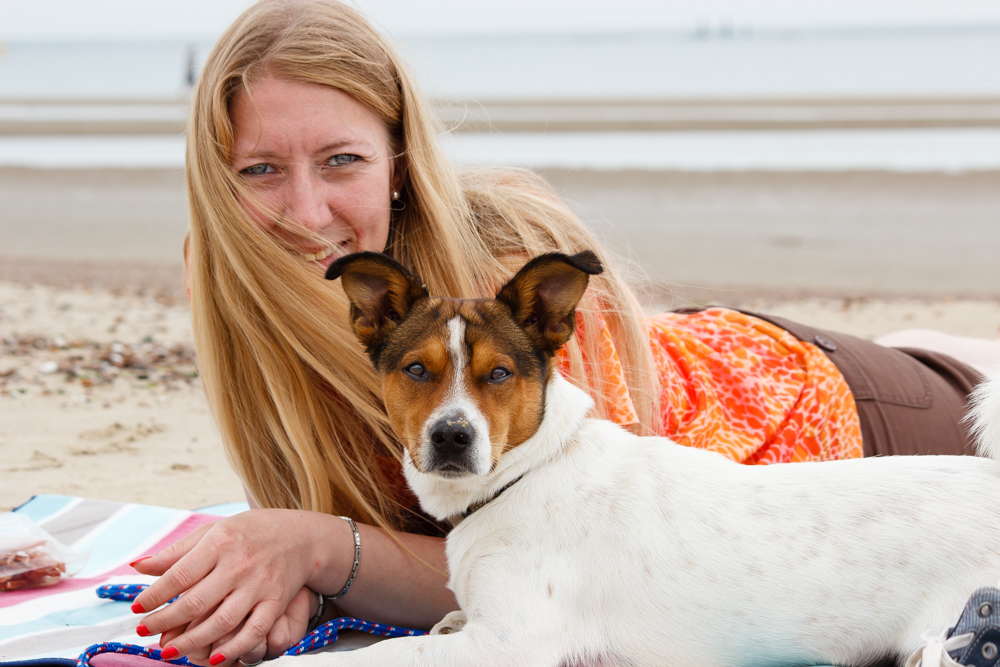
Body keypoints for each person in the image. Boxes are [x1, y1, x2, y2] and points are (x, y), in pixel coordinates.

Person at [129, 0, 1000, 664]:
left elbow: (541, 572)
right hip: (705, 391)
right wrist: (297, 578)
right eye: (261, 170)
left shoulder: (500, 261)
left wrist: (322, 548)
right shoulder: (246, 285)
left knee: (969, 390)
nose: (305, 210)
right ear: (221, 178)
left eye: (342, 160)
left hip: (825, 416)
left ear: (399, 159)